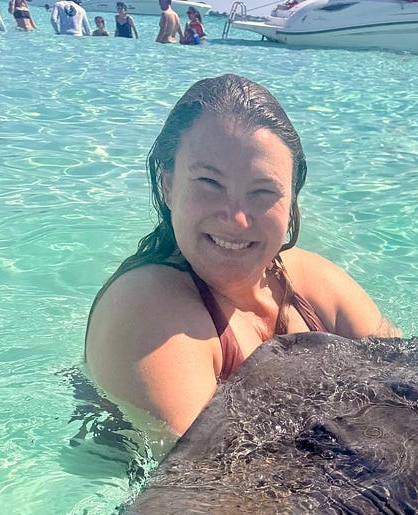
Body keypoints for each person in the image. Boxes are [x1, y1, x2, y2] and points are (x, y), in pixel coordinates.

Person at [85, 74, 399, 440]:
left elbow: (416, 385)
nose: (236, 219)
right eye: (209, 183)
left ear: (292, 198)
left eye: (263, 191)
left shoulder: (309, 282)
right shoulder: (147, 308)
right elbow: (205, 471)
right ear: (167, 184)